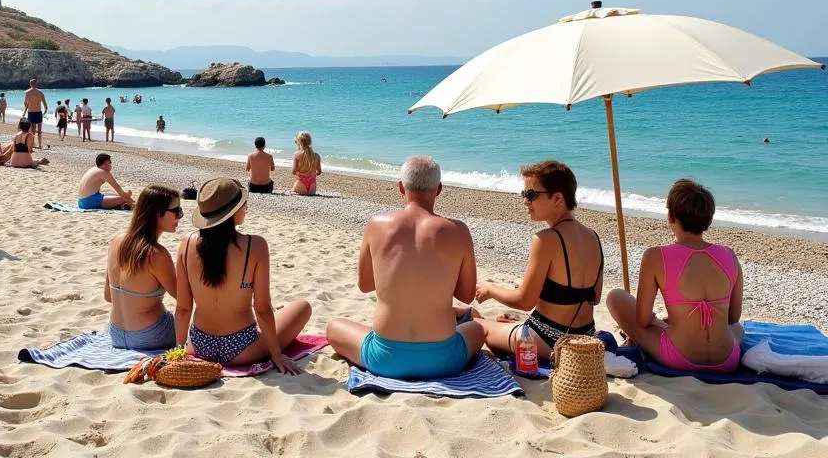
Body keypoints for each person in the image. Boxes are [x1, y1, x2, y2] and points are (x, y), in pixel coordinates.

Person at [326, 156, 485, 380]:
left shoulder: (376, 224)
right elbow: (466, 295)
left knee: (334, 326)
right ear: (438, 190)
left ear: (401, 187)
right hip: (443, 360)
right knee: (478, 328)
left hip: (384, 358)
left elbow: (366, 285)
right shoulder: (458, 231)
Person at [607, 179, 743, 373]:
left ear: (670, 216)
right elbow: (732, 318)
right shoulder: (729, 255)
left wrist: (662, 322)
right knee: (739, 329)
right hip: (728, 360)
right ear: (708, 220)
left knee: (615, 297)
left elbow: (643, 320)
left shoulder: (656, 256)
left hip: (680, 357)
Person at [175, 177, 311, 372]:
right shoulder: (255, 245)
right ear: (232, 212)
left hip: (199, 345)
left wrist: (179, 351)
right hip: (242, 349)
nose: (246, 207)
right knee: (303, 307)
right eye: (243, 204)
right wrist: (276, 354)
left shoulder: (186, 243)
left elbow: (183, 307)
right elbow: (262, 308)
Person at [475, 160, 604, 360]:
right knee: (503, 323)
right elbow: (595, 297)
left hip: (550, 341)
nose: (525, 201)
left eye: (531, 194)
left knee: (479, 325)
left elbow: (525, 301)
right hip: (585, 337)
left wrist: (490, 290)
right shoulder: (593, 237)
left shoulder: (546, 239)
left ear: (558, 198)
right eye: (524, 194)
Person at [104, 184, 182, 350]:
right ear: (156, 214)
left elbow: (108, 296)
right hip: (150, 335)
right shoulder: (156, 254)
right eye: (176, 211)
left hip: (116, 334)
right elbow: (183, 300)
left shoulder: (116, 242)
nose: (180, 216)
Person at [23, 78, 48, 148]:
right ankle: (40, 145)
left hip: (31, 112)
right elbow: (45, 104)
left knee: (32, 130)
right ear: (36, 83)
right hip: (38, 112)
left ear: (30, 84)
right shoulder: (40, 92)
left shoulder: (27, 92)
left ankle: (32, 144)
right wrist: (45, 110)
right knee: (39, 130)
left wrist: (27, 108)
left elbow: (25, 103)